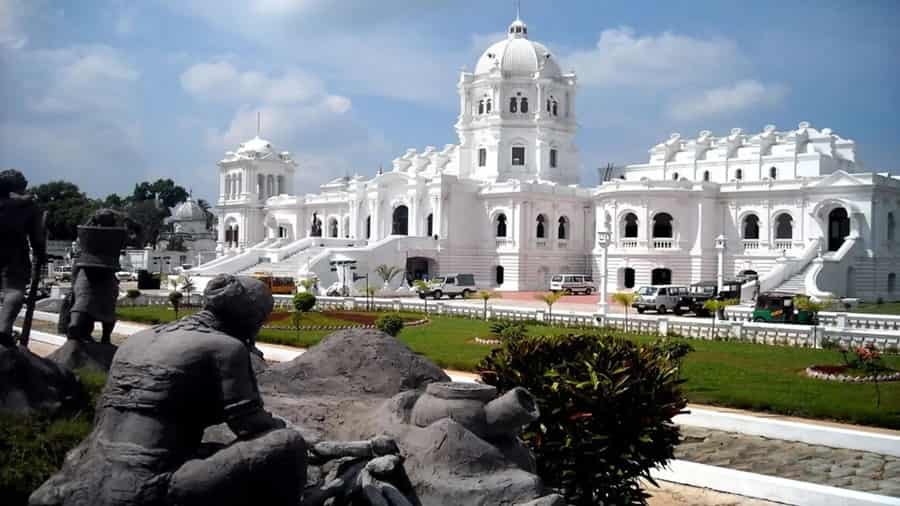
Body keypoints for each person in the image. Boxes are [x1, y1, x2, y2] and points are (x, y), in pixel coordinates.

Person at [31, 275, 307, 506]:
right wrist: (283, 427)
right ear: (249, 317)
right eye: (261, 318)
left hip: (86, 469)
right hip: (150, 483)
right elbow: (249, 425)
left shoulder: (138, 340)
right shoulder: (225, 347)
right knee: (287, 442)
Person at [0, 169, 46, 348]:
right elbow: (37, 237)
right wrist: (40, 254)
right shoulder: (28, 207)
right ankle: (3, 330)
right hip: (14, 253)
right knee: (13, 290)